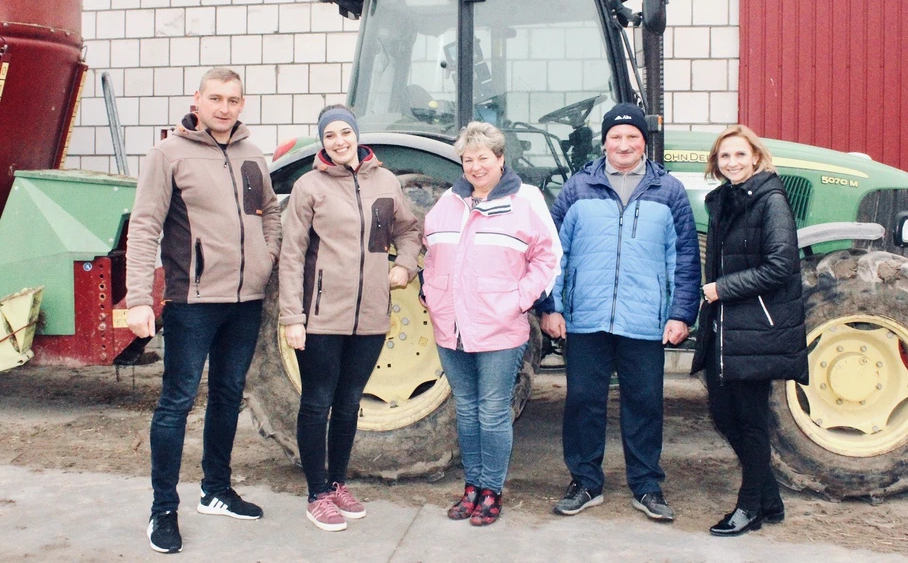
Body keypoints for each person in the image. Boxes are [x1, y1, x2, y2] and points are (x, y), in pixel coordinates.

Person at [125, 67, 281, 554]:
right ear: (197, 99)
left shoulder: (252, 155)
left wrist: (265, 257)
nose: (224, 108)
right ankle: (163, 510)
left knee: (229, 395)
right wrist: (137, 300)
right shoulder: (168, 154)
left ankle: (215, 490)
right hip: (193, 302)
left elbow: (271, 212)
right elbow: (145, 226)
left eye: (233, 100)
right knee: (176, 403)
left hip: (245, 301)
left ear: (242, 104)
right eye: (215, 98)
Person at [540, 103, 701, 522]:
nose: (624, 144)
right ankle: (585, 482)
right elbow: (553, 253)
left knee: (645, 402)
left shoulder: (669, 191)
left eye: (632, 137)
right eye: (616, 136)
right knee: (583, 401)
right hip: (586, 317)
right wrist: (551, 306)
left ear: (643, 142)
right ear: (604, 141)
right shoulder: (578, 188)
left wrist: (681, 313)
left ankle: (646, 485)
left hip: (645, 319)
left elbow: (684, 257)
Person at [279, 105, 422, 532]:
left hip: (373, 316)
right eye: (330, 136)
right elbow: (290, 256)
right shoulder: (309, 187)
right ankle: (316, 494)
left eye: (345, 132)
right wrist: (292, 316)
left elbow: (408, 230)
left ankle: (338, 483)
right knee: (317, 401)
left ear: (356, 134)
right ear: (321, 142)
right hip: (322, 317)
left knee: (348, 403)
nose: (339, 141)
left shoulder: (385, 180)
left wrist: (406, 264)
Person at [422, 121, 561, 526]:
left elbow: (548, 258)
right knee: (466, 409)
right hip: (452, 328)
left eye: (484, 157)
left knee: (493, 410)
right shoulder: (448, 201)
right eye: (468, 159)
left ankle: (491, 491)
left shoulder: (526, 200)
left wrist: (517, 301)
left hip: (500, 328)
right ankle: (471, 487)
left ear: (501, 159)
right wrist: (432, 294)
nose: (476, 166)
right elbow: (431, 252)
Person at [691, 124, 808, 536]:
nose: (733, 162)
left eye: (740, 155)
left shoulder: (770, 200)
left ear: (756, 157)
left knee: (751, 420)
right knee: (724, 415)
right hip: (727, 325)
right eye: (725, 157)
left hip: (755, 327)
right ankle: (769, 499)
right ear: (716, 163)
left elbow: (780, 266)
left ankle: (749, 508)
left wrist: (722, 289)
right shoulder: (725, 200)